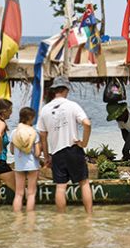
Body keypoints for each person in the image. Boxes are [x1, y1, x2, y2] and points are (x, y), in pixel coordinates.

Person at [37, 76, 93, 213]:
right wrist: (84, 143)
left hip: (57, 153)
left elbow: (43, 137)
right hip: (73, 149)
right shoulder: (72, 105)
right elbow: (87, 123)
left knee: (61, 187)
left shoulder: (45, 110)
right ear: (66, 89)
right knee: (84, 183)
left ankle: (61, 219)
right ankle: (89, 216)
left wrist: (46, 157)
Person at [10, 107, 42, 212]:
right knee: (31, 193)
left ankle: (18, 217)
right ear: (30, 118)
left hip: (19, 165)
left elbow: (12, 151)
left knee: (19, 193)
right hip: (32, 165)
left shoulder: (14, 132)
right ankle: (30, 218)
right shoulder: (34, 132)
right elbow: (37, 153)